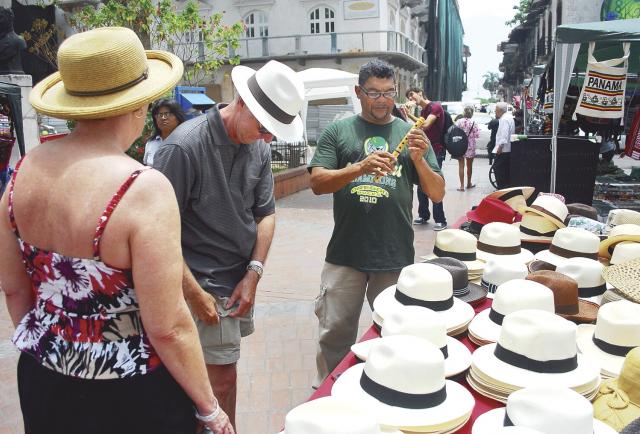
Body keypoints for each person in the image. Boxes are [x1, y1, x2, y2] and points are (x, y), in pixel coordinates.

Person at [0, 27, 234, 434]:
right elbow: (168, 326)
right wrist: (210, 407)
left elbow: (16, 290)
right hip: (131, 393)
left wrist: (57, 346)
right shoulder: (142, 188)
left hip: (43, 378)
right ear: (139, 106)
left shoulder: (22, 172)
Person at [153, 60, 304, 428]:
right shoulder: (184, 148)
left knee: (214, 377)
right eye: (264, 127)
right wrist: (193, 292)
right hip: (200, 281)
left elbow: (265, 213)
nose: (268, 138)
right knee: (220, 380)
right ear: (241, 102)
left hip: (238, 278)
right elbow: (155, 233)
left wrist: (253, 273)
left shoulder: (259, 147)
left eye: (274, 131)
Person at [309, 59, 445, 386]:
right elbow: (317, 182)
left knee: (394, 333)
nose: (383, 101)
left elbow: (437, 194)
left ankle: (387, 390)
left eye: (389, 93)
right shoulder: (338, 131)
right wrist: (359, 168)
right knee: (335, 335)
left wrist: (418, 160)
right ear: (359, 92)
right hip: (345, 254)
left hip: (394, 255)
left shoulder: (410, 134)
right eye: (374, 93)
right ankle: (328, 394)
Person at [405, 87, 448, 230]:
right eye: (408, 97)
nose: (411, 99)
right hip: (424, 150)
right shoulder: (423, 111)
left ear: (420, 93)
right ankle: (423, 215)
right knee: (421, 184)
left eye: (412, 95)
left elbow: (425, 125)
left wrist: (409, 115)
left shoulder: (435, 107)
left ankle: (440, 219)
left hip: (436, 151)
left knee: (433, 181)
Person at [144, 99, 186, 166]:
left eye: (167, 114)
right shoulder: (151, 143)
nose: (163, 118)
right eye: (159, 114)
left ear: (178, 117)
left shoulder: (186, 142)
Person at [454, 105, 479, 191]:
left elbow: (454, 132)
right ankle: (469, 183)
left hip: (460, 145)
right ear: (472, 113)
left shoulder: (458, 122)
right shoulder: (473, 123)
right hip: (470, 146)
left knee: (461, 166)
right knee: (469, 166)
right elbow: (477, 135)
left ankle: (461, 186)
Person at [493, 101, 515, 189]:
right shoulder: (508, 117)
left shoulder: (504, 119)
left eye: (496, 110)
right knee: (504, 169)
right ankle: (504, 187)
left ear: (500, 110)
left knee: (498, 169)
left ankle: (502, 188)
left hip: (503, 149)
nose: (495, 112)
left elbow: (504, 134)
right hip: (507, 149)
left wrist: (500, 147)